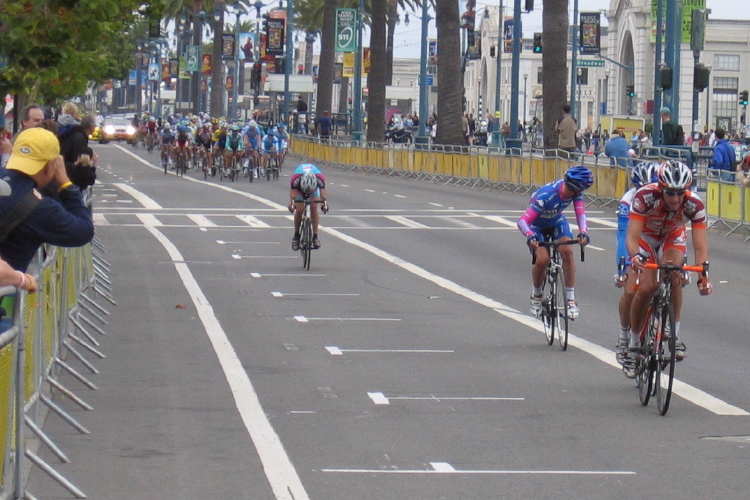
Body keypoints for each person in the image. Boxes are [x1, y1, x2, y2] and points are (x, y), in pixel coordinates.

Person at [625, 160, 712, 368]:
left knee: (673, 271)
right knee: (646, 287)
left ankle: (674, 335)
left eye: (680, 193)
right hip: (646, 237)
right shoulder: (645, 196)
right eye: (670, 193)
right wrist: (636, 256)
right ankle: (634, 342)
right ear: (661, 188)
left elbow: (701, 248)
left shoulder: (694, 204)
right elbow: (631, 238)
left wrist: (703, 277)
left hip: (672, 236)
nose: (676, 198)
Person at [0, 127, 94, 272]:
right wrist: (65, 183)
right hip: (7, 288)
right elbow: (83, 231)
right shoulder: (39, 207)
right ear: (51, 166)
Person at [516, 165, 594, 319]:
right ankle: (537, 295)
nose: (579, 194)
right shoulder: (547, 195)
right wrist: (530, 235)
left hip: (556, 221)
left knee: (567, 252)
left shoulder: (576, 192)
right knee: (543, 259)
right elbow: (522, 221)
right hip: (536, 226)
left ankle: (570, 300)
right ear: (572, 186)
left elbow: (580, 213)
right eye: (578, 191)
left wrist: (583, 232)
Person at [612, 161, 660, 368]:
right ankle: (624, 337)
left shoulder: (669, 197)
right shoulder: (629, 200)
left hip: (659, 238)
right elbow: (624, 235)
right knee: (631, 291)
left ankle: (663, 321)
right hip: (637, 240)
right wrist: (624, 266)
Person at [288, 164, 328, 251]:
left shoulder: (319, 178)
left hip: (314, 188)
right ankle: (296, 236)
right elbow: (292, 195)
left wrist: (324, 204)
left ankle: (315, 236)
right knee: (299, 209)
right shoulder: (295, 178)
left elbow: (323, 195)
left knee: (314, 206)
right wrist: (291, 204)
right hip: (299, 189)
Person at [59, 114, 98, 191]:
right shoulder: (80, 140)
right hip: (73, 183)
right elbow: (82, 167)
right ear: (91, 127)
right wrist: (94, 166)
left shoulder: (74, 135)